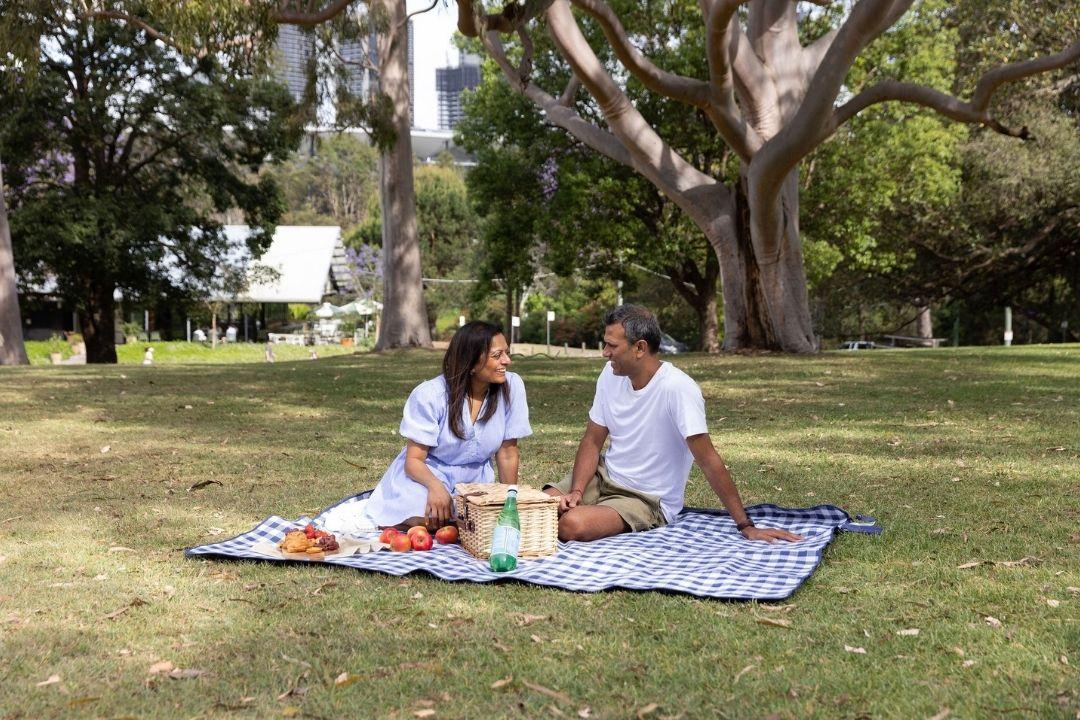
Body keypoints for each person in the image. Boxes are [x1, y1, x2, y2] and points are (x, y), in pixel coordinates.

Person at [544, 305, 802, 544]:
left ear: (640, 348)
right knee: (532, 507)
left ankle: (588, 513)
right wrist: (577, 490)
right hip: (602, 477)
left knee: (571, 525)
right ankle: (583, 506)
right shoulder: (609, 375)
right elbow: (592, 440)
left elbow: (708, 460)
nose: (605, 353)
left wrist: (746, 525)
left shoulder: (678, 388)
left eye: (611, 346)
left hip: (645, 499)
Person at [365, 321, 531, 529]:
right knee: (424, 515)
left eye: (506, 352)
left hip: (475, 481)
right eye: (497, 355)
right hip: (427, 475)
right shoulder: (430, 394)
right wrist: (436, 487)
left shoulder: (512, 386)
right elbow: (414, 461)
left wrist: (510, 502)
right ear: (471, 362)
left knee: (478, 519)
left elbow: (507, 453)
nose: (507, 361)